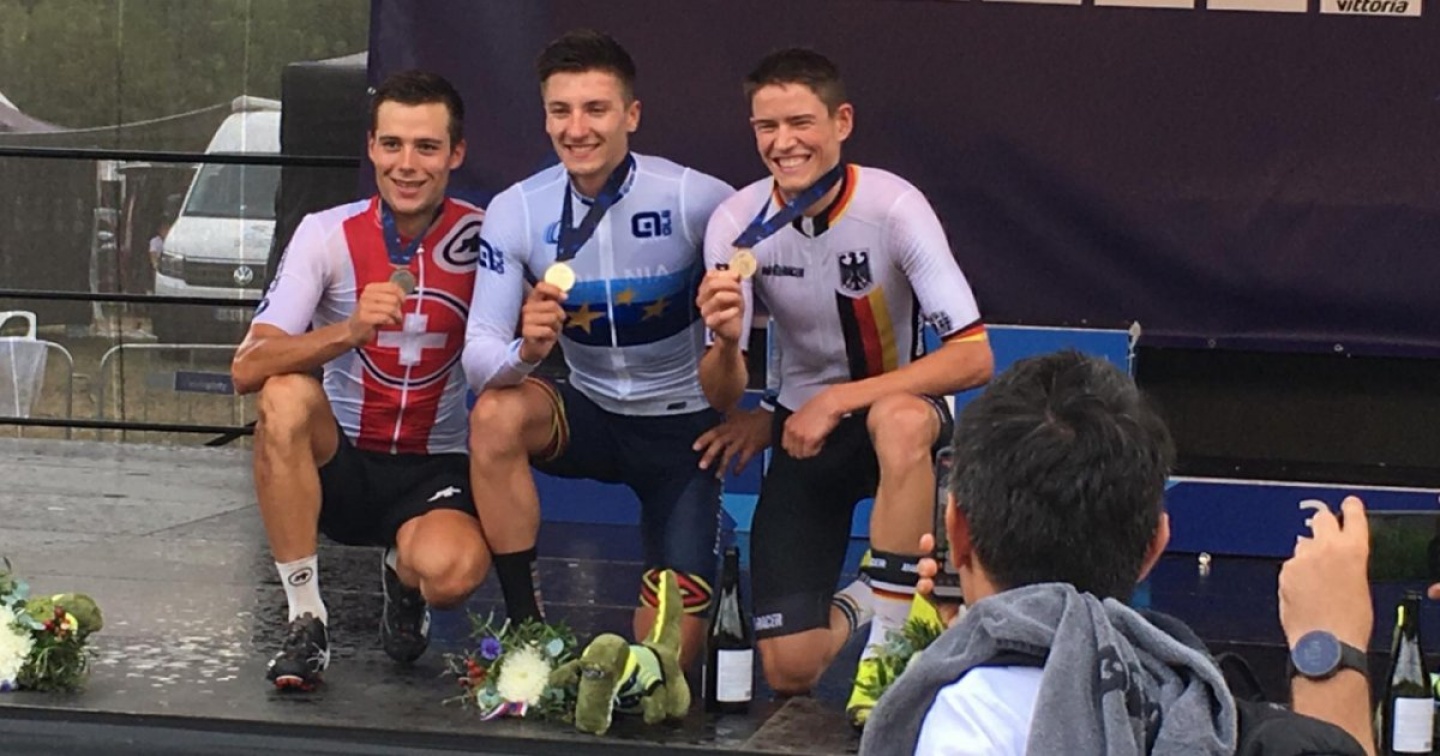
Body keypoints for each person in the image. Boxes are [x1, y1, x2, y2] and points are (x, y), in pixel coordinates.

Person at [861, 351, 1368, 755]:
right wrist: (1330, 656)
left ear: (957, 530)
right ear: (1155, 546)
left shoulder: (960, 719)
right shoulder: (1196, 713)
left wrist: (987, 641)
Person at [695, 48, 994, 726]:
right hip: (806, 432)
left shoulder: (893, 207)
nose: (784, 142)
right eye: (767, 127)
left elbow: (974, 358)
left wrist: (836, 398)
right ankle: (879, 592)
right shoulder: (735, 223)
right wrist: (726, 342)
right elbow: (721, 394)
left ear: (842, 122)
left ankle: (887, 649)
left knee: (898, 419)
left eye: (800, 122)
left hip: (899, 418)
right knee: (789, 670)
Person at [462, 29, 744, 666]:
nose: (576, 129)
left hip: (681, 434)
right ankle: (527, 635)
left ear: (631, 115)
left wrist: (762, 413)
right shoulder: (517, 209)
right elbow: (478, 356)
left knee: (667, 664)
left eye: (596, 109)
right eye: (560, 111)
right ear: (545, 117)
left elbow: (776, 308)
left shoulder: (697, 198)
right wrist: (526, 352)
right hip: (587, 413)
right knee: (496, 414)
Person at [231, 70, 488, 691]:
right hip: (341, 461)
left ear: (456, 153)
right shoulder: (325, 232)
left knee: (452, 576)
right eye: (392, 144)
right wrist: (346, 331)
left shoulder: (486, 236)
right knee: (284, 393)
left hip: (432, 469)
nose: (407, 165)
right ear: (371, 147)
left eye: (426, 147)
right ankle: (305, 618)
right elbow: (247, 367)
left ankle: (404, 575)